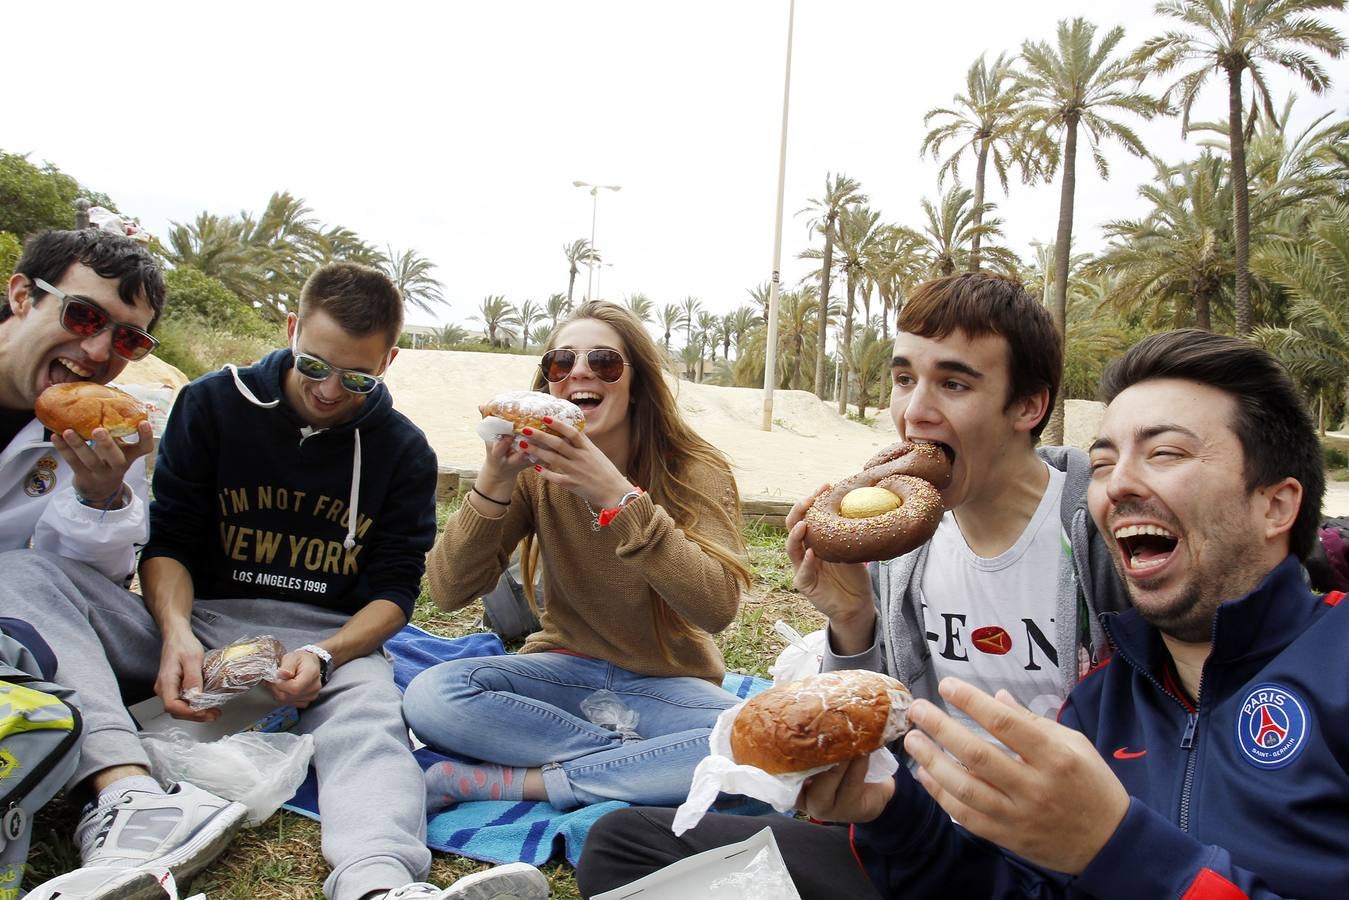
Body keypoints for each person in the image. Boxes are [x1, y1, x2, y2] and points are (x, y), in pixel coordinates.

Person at [2, 262, 546, 900]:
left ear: (389, 360)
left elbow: (395, 595)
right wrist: (176, 635)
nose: (328, 390)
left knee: (371, 722)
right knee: (23, 574)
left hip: (323, 641)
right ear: (291, 330)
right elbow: (169, 541)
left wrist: (324, 653)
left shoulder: (403, 451)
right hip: (196, 622)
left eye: (357, 376)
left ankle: (379, 883)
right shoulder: (210, 404)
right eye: (314, 365)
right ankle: (130, 796)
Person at [578, 272, 1130, 899]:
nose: (914, 411)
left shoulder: (1099, 533)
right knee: (621, 844)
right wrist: (850, 619)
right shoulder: (897, 544)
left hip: (1052, 861)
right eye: (903, 379)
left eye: (953, 383)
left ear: (1029, 405)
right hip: (918, 839)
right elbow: (885, 715)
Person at [798, 328, 1345, 898]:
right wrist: (894, 817)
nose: (1119, 485)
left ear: (1276, 505)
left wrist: (1115, 845)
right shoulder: (1100, 706)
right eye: (1104, 463)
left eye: (1165, 453)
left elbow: (1117, 856)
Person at [402, 300, 752, 812]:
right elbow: (448, 591)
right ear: (548, 384)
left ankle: (522, 782)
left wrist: (621, 498)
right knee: (431, 696)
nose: (579, 372)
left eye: (604, 363)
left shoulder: (695, 472)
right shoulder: (533, 472)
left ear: (637, 385)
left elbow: (716, 608)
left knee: (754, 745)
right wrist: (494, 482)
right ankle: (642, 765)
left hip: (668, 688)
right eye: (561, 364)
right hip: (561, 676)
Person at [0, 227, 163, 582]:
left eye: (128, 339)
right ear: (23, 296)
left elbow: (88, 592)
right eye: (84, 316)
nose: (98, 351)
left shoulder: (108, 440)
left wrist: (97, 500)